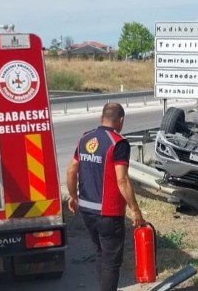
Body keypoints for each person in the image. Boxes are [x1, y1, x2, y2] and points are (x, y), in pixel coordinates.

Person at [66, 102, 146, 291]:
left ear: (101, 118)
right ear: (121, 120)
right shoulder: (118, 143)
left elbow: (71, 170)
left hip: (86, 210)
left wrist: (72, 196)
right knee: (111, 261)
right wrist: (135, 210)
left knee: (101, 253)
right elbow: (123, 180)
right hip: (108, 213)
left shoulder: (85, 139)